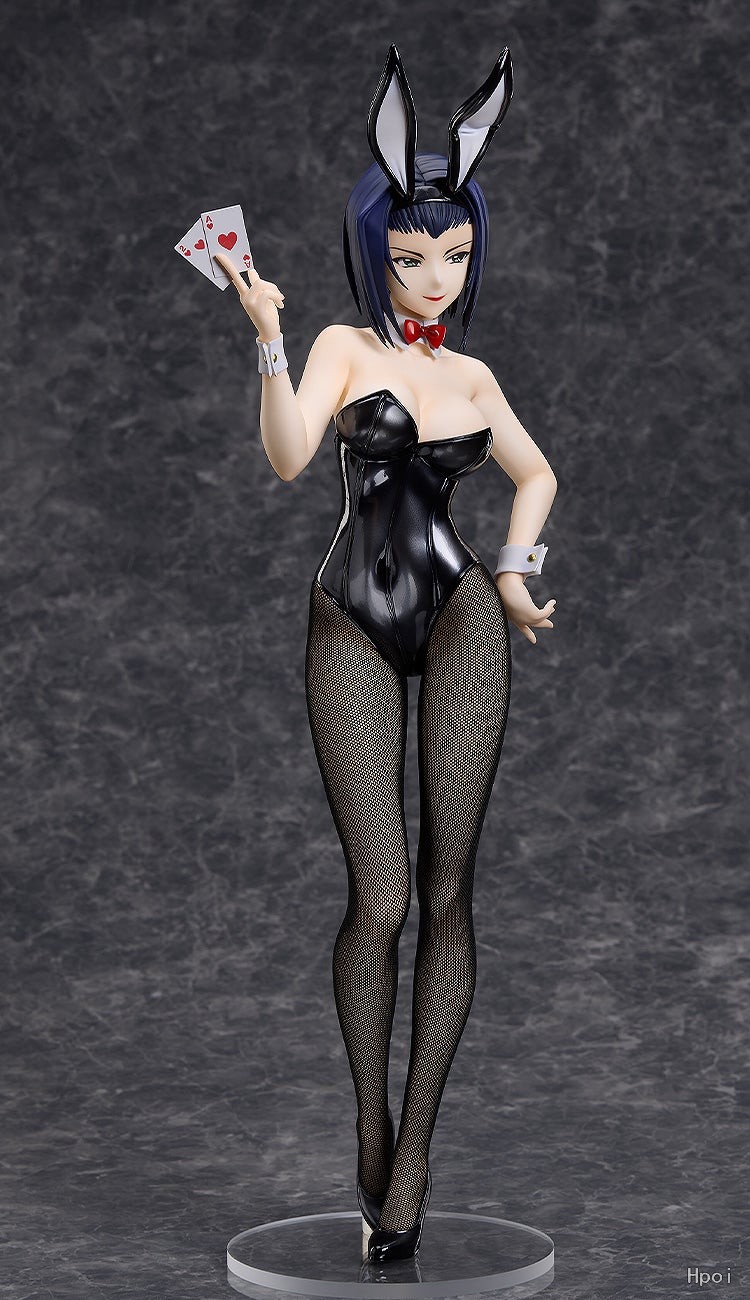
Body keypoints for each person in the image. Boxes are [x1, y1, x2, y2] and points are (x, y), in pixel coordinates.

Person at [216, 45, 557, 1265]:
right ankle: (369, 1125)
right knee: (386, 897)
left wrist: (512, 570)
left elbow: (536, 473)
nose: (434, 276)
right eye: (412, 256)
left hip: (460, 611)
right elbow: (290, 456)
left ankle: (413, 1156)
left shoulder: (473, 374)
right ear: (377, 250)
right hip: (351, 611)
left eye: (454, 253)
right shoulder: (345, 350)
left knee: (452, 893)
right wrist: (268, 336)